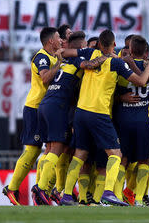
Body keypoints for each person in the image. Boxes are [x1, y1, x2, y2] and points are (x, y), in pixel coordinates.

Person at [59, 29, 149, 206]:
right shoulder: (116, 64)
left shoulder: (89, 52)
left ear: (99, 44)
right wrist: (148, 66)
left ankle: (66, 195)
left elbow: (64, 52)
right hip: (99, 113)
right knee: (116, 154)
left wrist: (89, 62)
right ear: (114, 45)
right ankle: (109, 192)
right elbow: (141, 82)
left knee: (79, 154)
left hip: (80, 112)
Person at [31, 31, 110, 205]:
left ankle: (43, 189)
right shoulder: (76, 60)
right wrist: (105, 56)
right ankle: (41, 187)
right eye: (84, 45)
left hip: (46, 104)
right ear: (81, 47)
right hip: (58, 106)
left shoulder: (64, 61)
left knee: (51, 148)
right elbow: (89, 64)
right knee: (58, 148)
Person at [3, 27, 62, 206]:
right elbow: (45, 78)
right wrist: (60, 63)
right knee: (33, 149)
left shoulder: (53, 57)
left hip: (47, 108)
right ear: (51, 40)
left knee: (48, 149)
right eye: (58, 37)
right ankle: (12, 188)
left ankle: (41, 190)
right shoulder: (42, 57)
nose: (60, 40)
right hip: (35, 107)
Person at [114, 35, 149, 207]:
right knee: (144, 160)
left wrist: (120, 96)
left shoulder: (121, 66)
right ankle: (138, 199)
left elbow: (108, 90)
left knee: (122, 160)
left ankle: (116, 196)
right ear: (146, 52)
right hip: (143, 122)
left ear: (129, 48)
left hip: (123, 121)